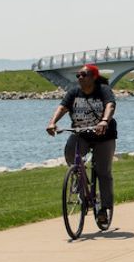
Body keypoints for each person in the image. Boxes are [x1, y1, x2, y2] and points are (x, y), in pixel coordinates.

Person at [45, 64, 118, 225]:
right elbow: (63, 107)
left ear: (94, 77)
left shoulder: (103, 90)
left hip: (104, 136)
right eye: (78, 75)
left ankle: (103, 209)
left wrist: (105, 121)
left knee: (103, 171)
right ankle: (79, 178)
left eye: (83, 75)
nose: (79, 78)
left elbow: (110, 105)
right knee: (70, 153)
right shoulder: (73, 92)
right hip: (81, 133)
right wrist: (52, 123)